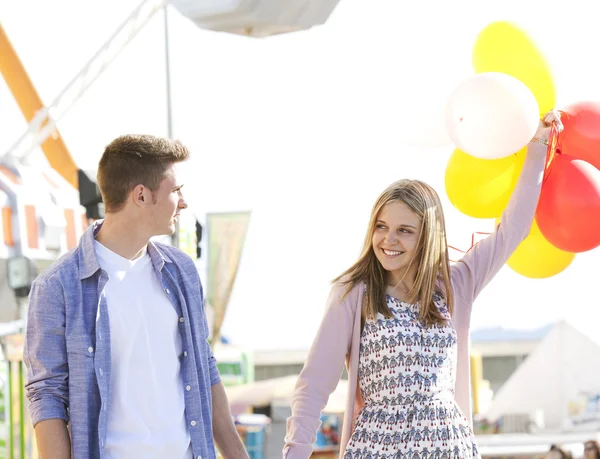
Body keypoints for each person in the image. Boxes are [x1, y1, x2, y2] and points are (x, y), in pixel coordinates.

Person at [283, 111, 563, 459]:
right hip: (377, 449)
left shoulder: (456, 284)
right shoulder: (352, 293)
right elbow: (313, 387)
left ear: (427, 235)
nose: (389, 240)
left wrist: (538, 145)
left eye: (405, 230)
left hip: (449, 448)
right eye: (381, 227)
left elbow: (513, 230)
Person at [24, 134, 249, 459]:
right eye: (175, 190)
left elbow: (205, 368)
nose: (183, 201)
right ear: (141, 196)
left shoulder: (182, 272)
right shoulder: (58, 286)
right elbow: (47, 394)